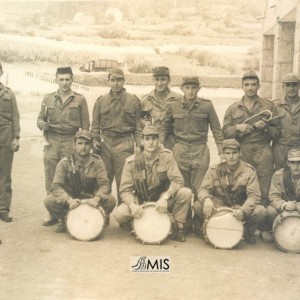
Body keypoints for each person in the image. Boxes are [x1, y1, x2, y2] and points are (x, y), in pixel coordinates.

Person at [160, 76, 224, 233]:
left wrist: (221, 150)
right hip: (180, 149)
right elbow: (164, 126)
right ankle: (185, 222)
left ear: (198, 89)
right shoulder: (173, 106)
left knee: (199, 187)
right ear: (182, 89)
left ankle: (198, 220)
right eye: (187, 88)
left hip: (200, 149)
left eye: (193, 88)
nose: (190, 91)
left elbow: (216, 128)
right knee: (183, 187)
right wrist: (161, 146)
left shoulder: (207, 106)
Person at [115, 126, 192, 242]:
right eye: (147, 139)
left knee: (186, 192)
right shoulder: (131, 162)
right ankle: (137, 223)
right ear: (142, 141)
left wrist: (165, 197)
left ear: (158, 140)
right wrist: (132, 205)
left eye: (154, 138)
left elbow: (178, 180)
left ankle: (176, 225)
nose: (151, 142)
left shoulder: (166, 156)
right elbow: (125, 190)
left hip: (161, 199)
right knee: (120, 213)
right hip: (141, 200)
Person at [37, 67, 90, 225]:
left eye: (67, 79)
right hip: (52, 141)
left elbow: (86, 126)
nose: (65, 83)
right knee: (51, 178)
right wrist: (41, 124)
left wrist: (82, 146)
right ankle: (53, 213)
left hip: (70, 141)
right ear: (56, 80)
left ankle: (68, 215)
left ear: (72, 80)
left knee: (70, 177)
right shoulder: (48, 99)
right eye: (61, 79)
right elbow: (39, 119)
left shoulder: (80, 100)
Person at [223, 70, 280, 206]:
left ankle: (263, 215)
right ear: (242, 87)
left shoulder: (268, 106)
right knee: (241, 182)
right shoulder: (233, 108)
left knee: (264, 182)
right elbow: (225, 132)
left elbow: (277, 131)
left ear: (258, 86)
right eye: (247, 85)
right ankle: (243, 216)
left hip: (263, 149)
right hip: (242, 149)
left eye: (253, 84)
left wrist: (265, 128)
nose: (250, 88)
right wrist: (237, 128)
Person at [193, 139, 265, 243]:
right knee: (197, 205)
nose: (231, 157)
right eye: (227, 153)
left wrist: (243, 210)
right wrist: (206, 199)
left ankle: (246, 232)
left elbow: (254, 196)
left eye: (234, 153)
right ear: (223, 155)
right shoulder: (215, 170)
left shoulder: (249, 171)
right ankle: (210, 228)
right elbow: (203, 189)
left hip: (239, 206)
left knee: (260, 211)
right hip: (219, 206)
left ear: (240, 153)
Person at [44, 130, 116, 233]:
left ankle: (96, 218)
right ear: (74, 145)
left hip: (90, 200)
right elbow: (55, 186)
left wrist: (96, 198)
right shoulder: (65, 162)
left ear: (91, 146)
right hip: (72, 200)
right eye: (80, 143)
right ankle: (65, 219)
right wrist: (68, 200)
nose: (83, 147)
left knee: (111, 200)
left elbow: (105, 185)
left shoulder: (98, 162)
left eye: (87, 143)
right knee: (49, 201)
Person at [91, 68, 142, 205]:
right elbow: (95, 125)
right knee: (103, 179)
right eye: (113, 80)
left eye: (119, 80)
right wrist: (95, 140)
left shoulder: (133, 101)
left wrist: (139, 145)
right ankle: (104, 212)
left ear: (124, 81)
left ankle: (123, 214)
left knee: (124, 180)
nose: (116, 83)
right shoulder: (101, 101)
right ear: (108, 81)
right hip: (105, 144)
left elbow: (137, 127)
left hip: (125, 142)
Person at [263, 149, 300, 243]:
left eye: (299, 162)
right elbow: (273, 196)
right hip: (285, 211)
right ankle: (275, 232)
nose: (296, 166)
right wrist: (284, 204)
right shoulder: (279, 175)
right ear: (288, 163)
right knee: (270, 211)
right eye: (293, 162)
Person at [140, 66, 180, 150]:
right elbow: (138, 118)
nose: (159, 83)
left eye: (163, 79)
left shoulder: (178, 99)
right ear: (153, 81)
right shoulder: (146, 100)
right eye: (157, 79)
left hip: (172, 141)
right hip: (152, 141)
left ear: (169, 80)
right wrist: (144, 123)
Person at [0, 62, 20, 222]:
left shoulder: (9, 94)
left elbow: (15, 117)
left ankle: (4, 209)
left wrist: (16, 138)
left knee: (5, 175)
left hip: (5, 137)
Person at [272, 73, 300, 170]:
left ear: (299, 86)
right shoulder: (275, 105)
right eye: (288, 85)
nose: (291, 88)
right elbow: (271, 129)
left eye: (294, 85)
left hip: (298, 146)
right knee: (280, 176)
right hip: (280, 148)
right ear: (283, 86)